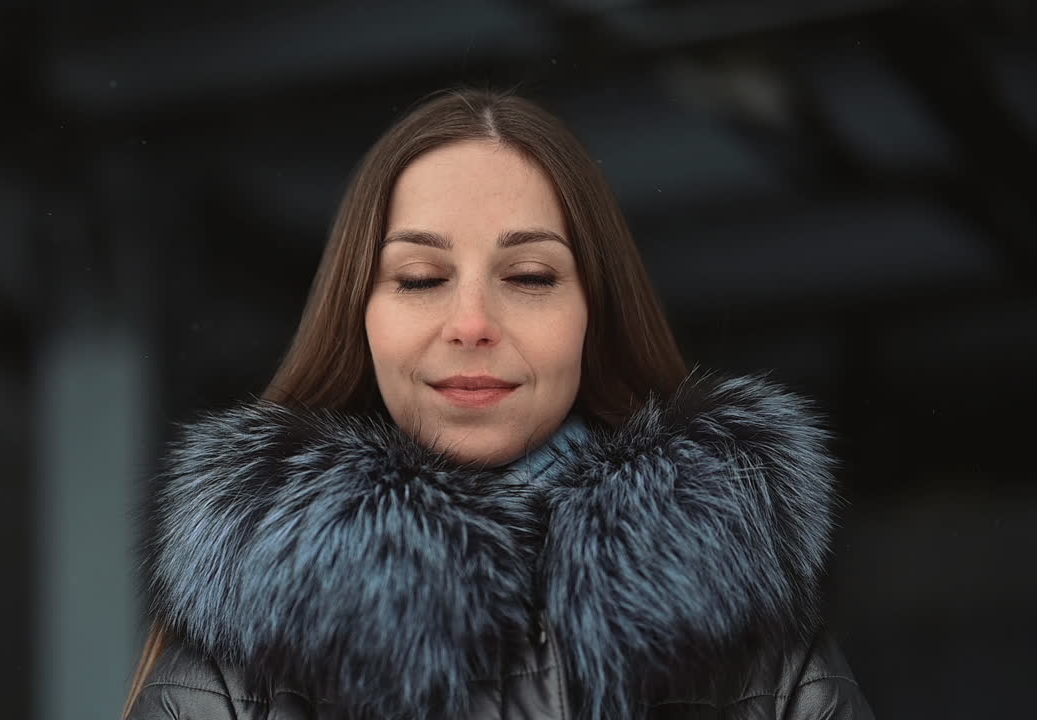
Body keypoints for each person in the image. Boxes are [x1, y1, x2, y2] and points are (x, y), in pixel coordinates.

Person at [121, 88, 875, 720]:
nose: (473, 323)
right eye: (419, 277)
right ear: (360, 316)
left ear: (595, 315)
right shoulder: (238, 646)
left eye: (531, 277)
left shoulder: (752, 637)